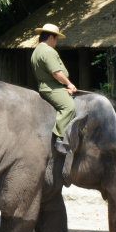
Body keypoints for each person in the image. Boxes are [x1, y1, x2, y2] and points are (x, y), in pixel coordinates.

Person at [30, 23, 76, 153]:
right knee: (69, 107)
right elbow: (56, 72)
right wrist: (69, 84)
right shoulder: (48, 51)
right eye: (56, 39)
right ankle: (60, 138)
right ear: (51, 37)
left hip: (47, 86)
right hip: (52, 87)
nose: (56, 42)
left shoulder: (37, 51)